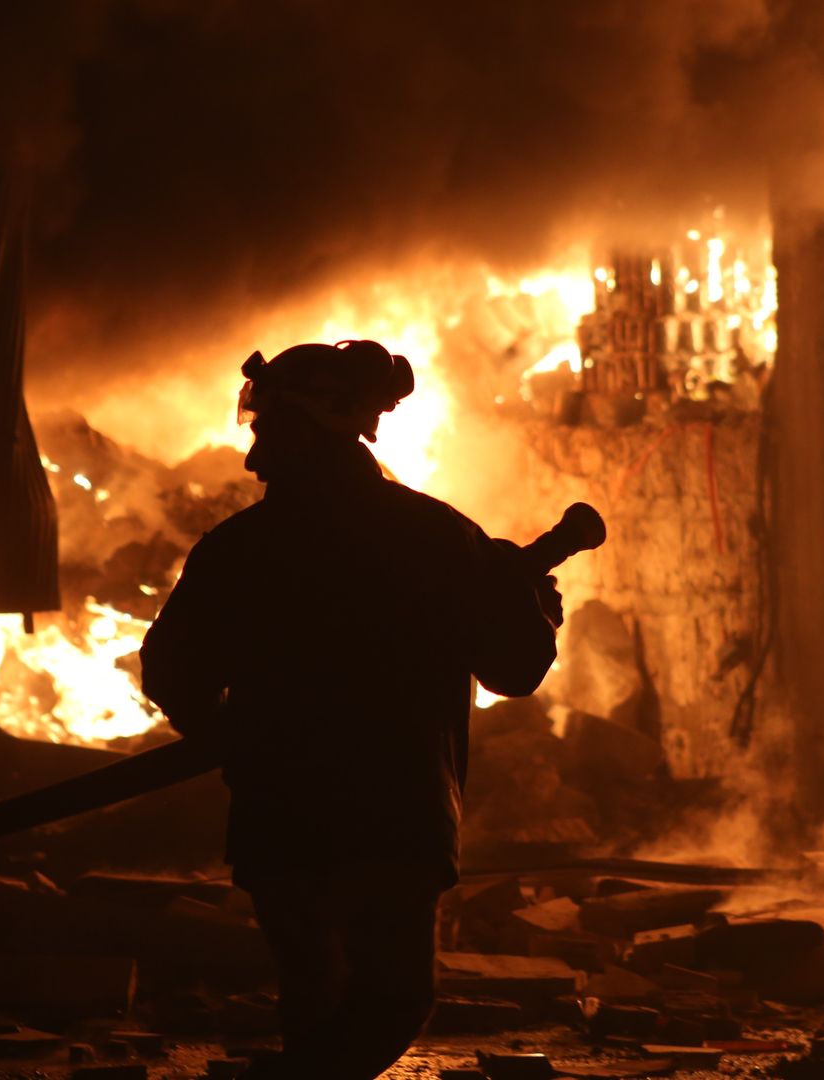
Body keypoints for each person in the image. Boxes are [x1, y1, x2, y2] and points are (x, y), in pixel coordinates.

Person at [138, 340, 561, 1079]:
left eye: (266, 431)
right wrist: (532, 610)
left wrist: (234, 743)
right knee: (389, 1003)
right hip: (396, 825)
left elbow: (174, 673)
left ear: (316, 427)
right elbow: (515, 670)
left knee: (312, 1004)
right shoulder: (440, 538)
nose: (253, 457)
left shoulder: (238, 549)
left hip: (281, 825)